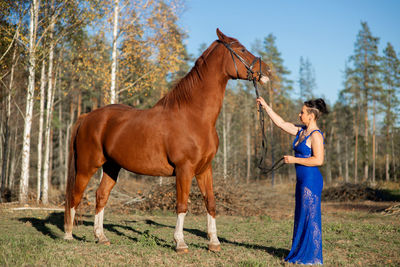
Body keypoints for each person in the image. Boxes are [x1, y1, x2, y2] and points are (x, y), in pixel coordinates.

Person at [256, 96, 328, 265]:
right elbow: (281, 123)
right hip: (301, 180)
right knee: (302, 215)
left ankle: (312, 257)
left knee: (310, 216)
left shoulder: (316, 135)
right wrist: (266, 106)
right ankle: (301, 251)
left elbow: (319, 160)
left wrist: (294, 160)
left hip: (311, 180)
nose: (299, 115)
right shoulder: (301, 131)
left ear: (311, 115)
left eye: (302, 112)